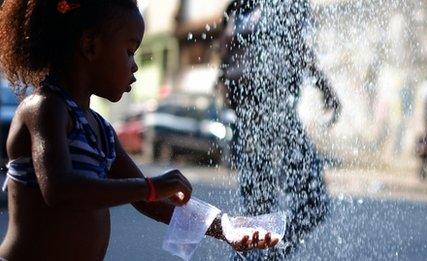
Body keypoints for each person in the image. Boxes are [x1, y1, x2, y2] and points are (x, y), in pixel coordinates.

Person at [0, 0, 278, 260]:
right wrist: (149, 188)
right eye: (129, 51)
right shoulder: (45, 109)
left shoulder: (101, 130)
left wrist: (225, 227)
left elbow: (153, 201)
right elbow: (60, 190)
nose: (134, 66)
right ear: (90, 45)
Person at [217, 0, 341, 259]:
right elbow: (232, 44)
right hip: (259, 120)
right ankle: (269, 254)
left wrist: (323, 86)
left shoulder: (275, 8)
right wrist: (324, 87)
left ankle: (273, 253)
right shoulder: (254, 9)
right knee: (263, 211)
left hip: (274, 119)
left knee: (305, 204)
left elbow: (294, 46)